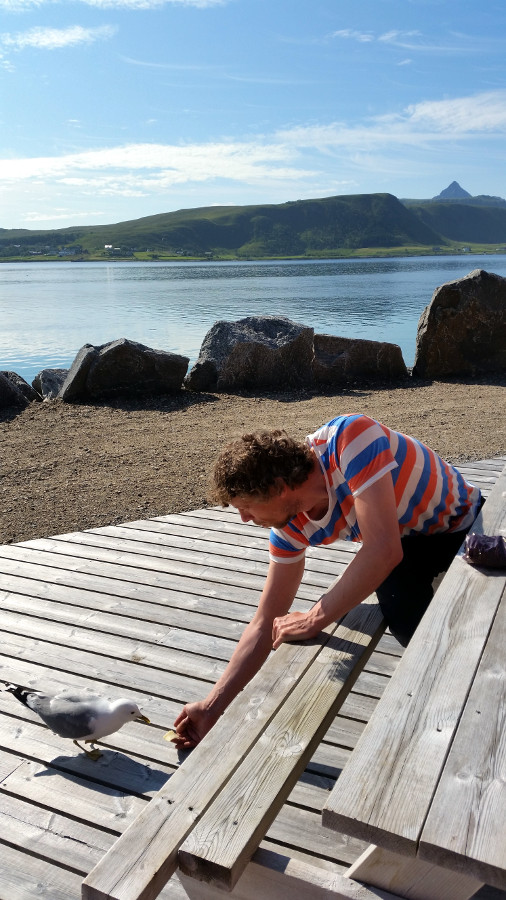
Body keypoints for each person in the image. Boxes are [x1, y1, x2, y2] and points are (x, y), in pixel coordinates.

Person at [173, 413, 482, 748]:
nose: (245, 518)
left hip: (464, 524)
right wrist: (212, 706)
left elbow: (381, 550)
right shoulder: (290, 526)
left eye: (246, 507)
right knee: (415, 631)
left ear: (279, 489)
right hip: (407, 541)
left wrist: (314, 618)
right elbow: (265, 621)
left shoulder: (349, 438)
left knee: (479, 622)